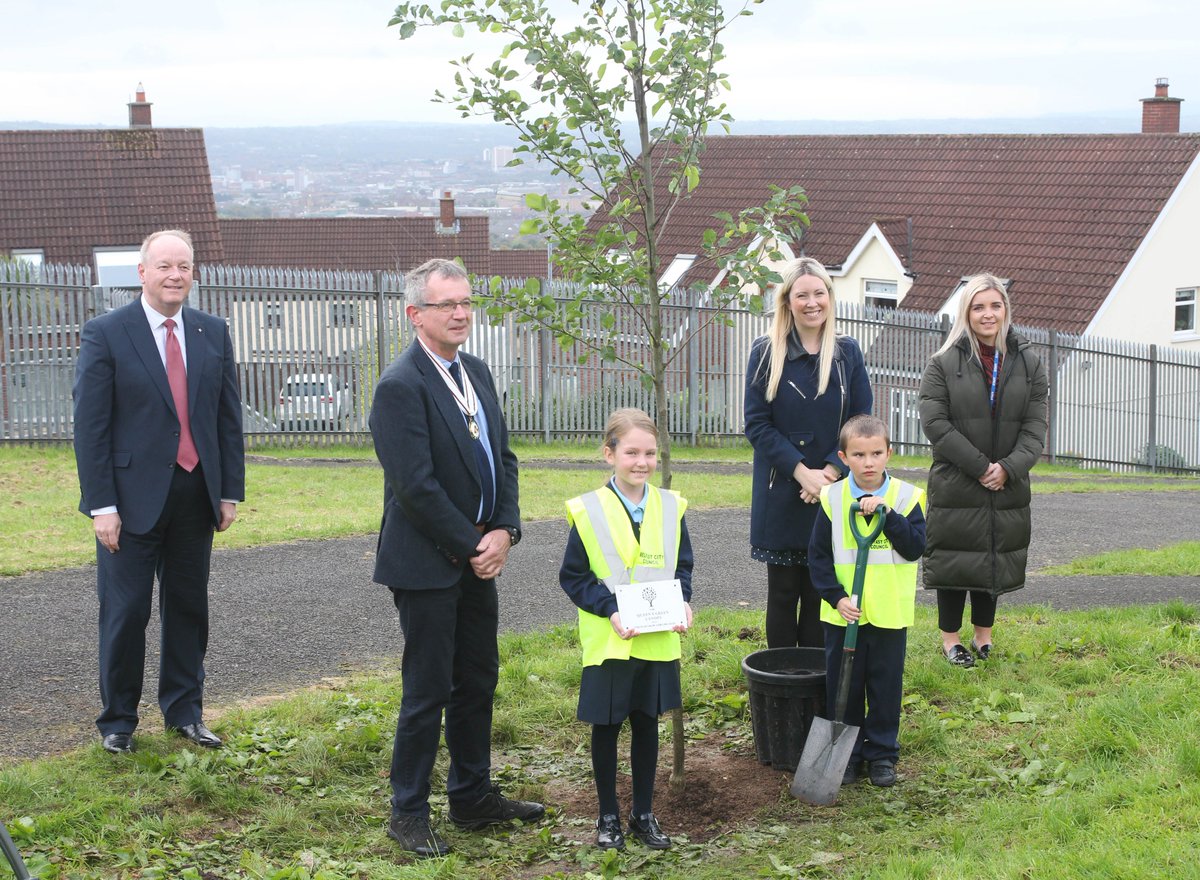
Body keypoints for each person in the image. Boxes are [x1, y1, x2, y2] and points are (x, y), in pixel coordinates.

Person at [368, 258, 544, 859]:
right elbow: (414, 488)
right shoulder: (400, 386)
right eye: (446, 304)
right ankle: (408, 813)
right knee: (428, 689)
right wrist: (473, 546)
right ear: (415, 314)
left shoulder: (477, 371)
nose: (461, 313)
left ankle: (471, 797)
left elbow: (505, 459)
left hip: (478, 555)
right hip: (428, 562)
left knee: (477, 679)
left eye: (466, 302)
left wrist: (506, 530)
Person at [72, 229, 245, 755]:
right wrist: (102, 505)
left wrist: (229, 491)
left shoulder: (213, 331)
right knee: (126, 613)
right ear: (142, 273)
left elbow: (227, 418)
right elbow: (91, 428)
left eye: (184, 267)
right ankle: (118, 722)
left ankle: (185, 713)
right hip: (128, 502)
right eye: (165, 266)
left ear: (193, 274)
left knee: (189, 608)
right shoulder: (106, 333)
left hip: (196, 494)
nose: (175, 275)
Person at [559, 409, 693, 852]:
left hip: (657, 639)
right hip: (610, 640)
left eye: (650, 453)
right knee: (607, 726)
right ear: (609, 454)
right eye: (632, 452)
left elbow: (683, 566)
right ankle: (607, 816)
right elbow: (574, 577)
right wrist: (609, 610)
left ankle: (643, 814)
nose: (642, 462)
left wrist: (683, 601)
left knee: (646, 725)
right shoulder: (588, 510)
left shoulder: (671, 507)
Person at [918, 274, 1048, 667]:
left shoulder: (1029, 362)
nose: (988, 314)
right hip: (958, 479)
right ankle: (950, 641)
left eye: (995, 305)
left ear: (1006, 309)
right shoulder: (943, 363)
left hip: (1006, 481)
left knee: (992, 556)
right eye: (978, 307)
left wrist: (1008, 468)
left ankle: (983, 637)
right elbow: (935, 423)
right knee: (955, 558)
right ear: (966, 313)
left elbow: (1035, 426)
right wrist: (980, 467)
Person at [744, 257, 873, 649]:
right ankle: (781, 675)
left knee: (821, 591)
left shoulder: (848, 353)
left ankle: (816, 677)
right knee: (783, 593)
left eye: (819, 293)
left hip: (833, 490)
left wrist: (830, 472)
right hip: (782, 489)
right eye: (802, 295)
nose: (812, 303)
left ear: (830, 297)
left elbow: (861, 420)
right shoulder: (765, 351)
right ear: (787, 300)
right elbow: (757, 424)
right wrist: (802, 472)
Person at [808, 415, 926, 787]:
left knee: (885, 686)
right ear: (844, 457)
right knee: (844, 686)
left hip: (889, 614)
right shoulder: (832, 498)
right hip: (843, 616)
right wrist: (837, 598)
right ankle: (849, 754)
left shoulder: (906, 497)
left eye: (876, 453)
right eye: (859, 455)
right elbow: (818, 557)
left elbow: (915, 547)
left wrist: (889, 516)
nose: (869, 462)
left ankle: (882, 754)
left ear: (889, 453)